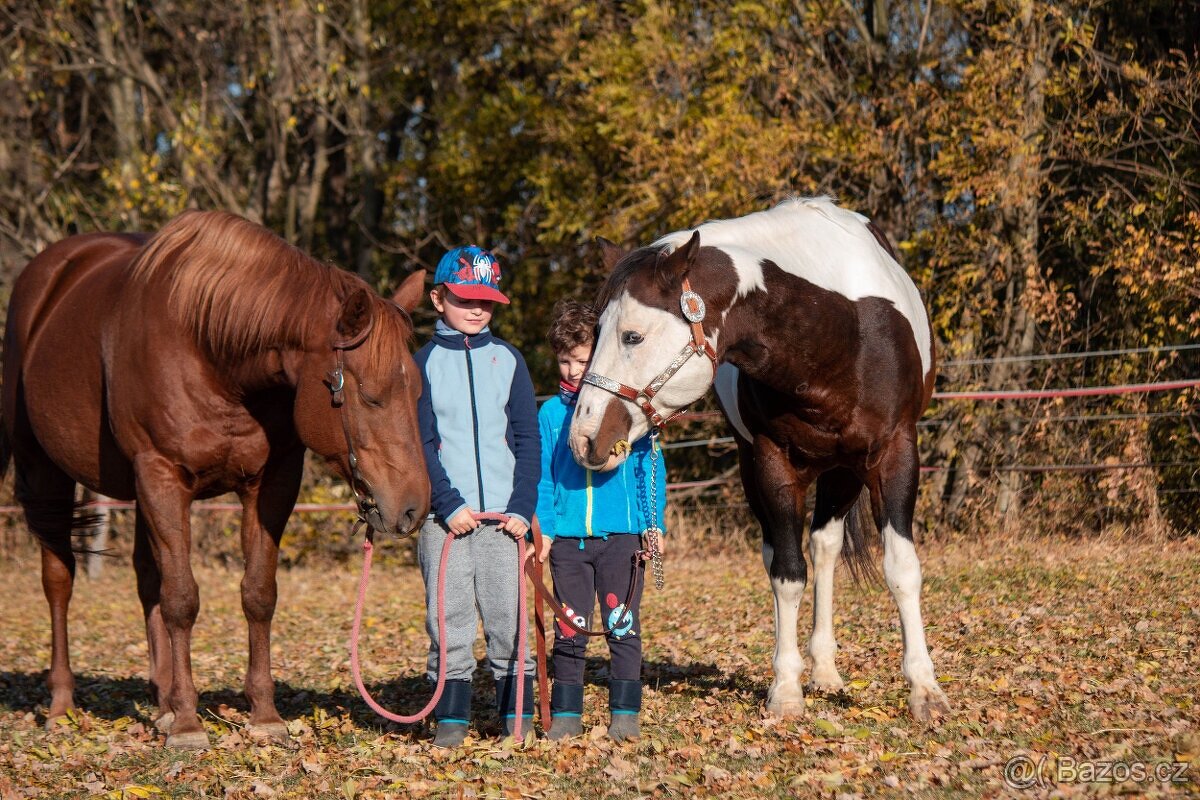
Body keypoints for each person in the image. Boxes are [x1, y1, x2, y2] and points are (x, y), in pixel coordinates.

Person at [413, 245, 541, 747]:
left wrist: (521, 507)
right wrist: (447, 504)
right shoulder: (421, 365)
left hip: (503, 522)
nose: (476, 309)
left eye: (486, 302)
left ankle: (517, 716)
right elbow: (421, 442)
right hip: (447, 522)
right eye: (465, 298)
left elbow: (527, 439)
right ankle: (452, 720)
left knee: (509, 619)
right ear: (438, 298)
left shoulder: (508, 360)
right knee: (449, 620)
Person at [535, 298, 667, 742]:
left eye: (581, 360)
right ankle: (568, 713)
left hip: (623, 539)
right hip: (568, 543)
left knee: (622, 626)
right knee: (569, 628)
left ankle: (625, 713)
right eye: (565, 360)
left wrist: (654, 525)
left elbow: (651, 470)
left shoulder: (629, 412)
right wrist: (546, 529)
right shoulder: (551, 415)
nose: (572, 370)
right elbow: (540, 477)